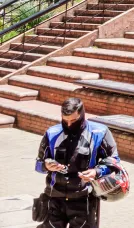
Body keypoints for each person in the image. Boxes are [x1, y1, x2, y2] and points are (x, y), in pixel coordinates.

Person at [35, 97, 120, 228]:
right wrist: (46, 166)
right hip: (54, 198)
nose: (69, 125)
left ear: (82, 115)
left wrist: (96, 172)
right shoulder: (52, 133)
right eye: (65, 121)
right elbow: (38, 164)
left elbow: (114, 161)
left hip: (84, 199)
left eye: (73, 121)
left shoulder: (100, 132)